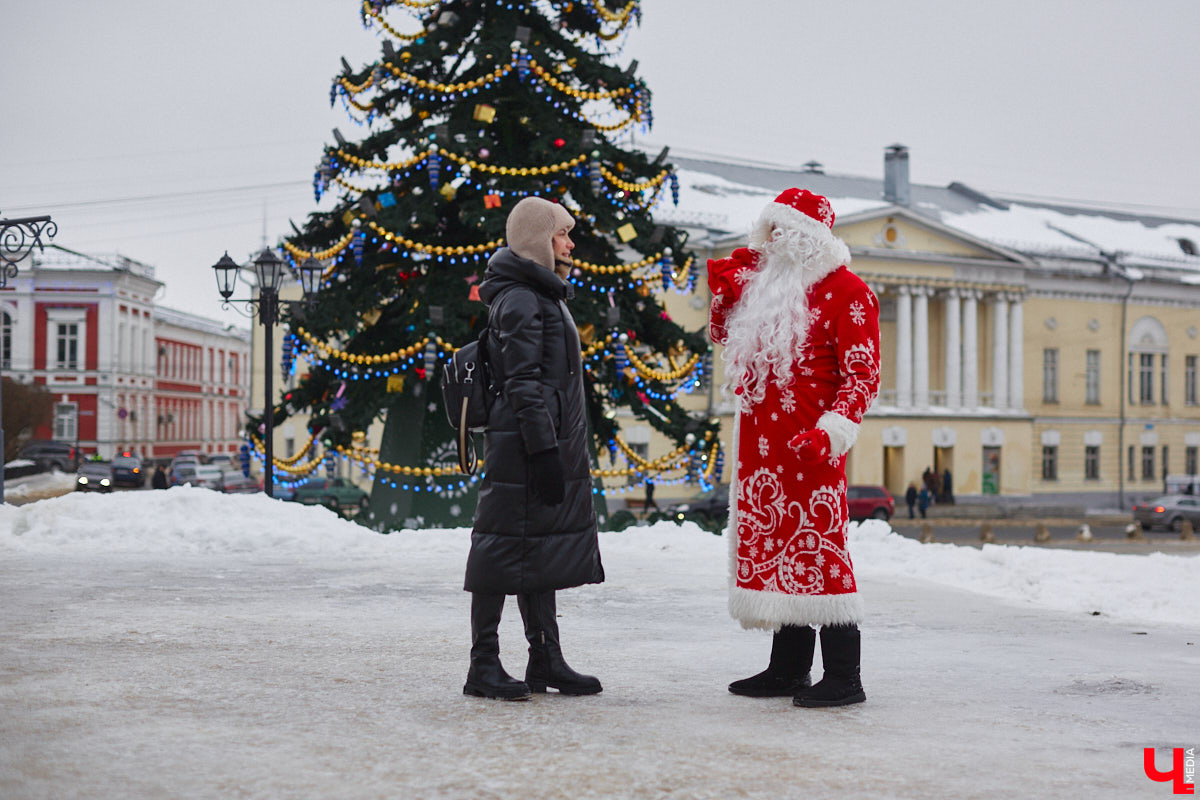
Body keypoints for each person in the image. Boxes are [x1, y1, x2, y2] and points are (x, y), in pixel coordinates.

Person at [708, 188, 880, 708]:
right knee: (781, 551)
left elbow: (863, 375)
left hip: (813, 448)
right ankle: (788, 669)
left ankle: (845, 675)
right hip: (762, 452)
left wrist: (832, 432)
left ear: (810, 239)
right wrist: (728, 293)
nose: (774, 239)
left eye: (784, 230)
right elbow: (723, 337)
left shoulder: (848, 291)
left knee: (820, 552)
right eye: (769, 229)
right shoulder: (770, 289)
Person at [462, 197, 605, 701]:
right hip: (523, 447)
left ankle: (545, 658)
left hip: (540, 442)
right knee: (499, 550)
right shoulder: (522, 298)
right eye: (562, 234)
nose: (571, 243)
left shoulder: (542, 294)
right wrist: (544, 452)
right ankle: (483, 664)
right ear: (538, 240)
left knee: (536, 550)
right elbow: (522, 384)